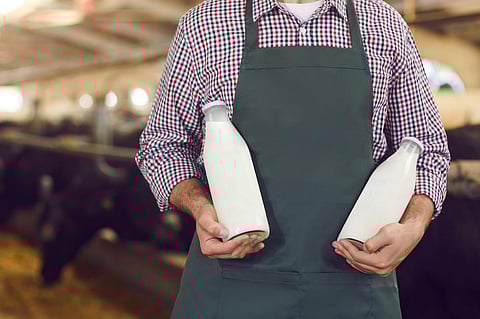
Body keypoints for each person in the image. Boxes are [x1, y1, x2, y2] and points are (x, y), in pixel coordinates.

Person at [135, 0, 451, 317]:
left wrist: (413, 226)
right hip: (231, 289)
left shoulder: (385, 25)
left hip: (356, 290)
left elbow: (427, 150)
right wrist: (201, 207)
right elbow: (163, 145)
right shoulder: (205, 24)